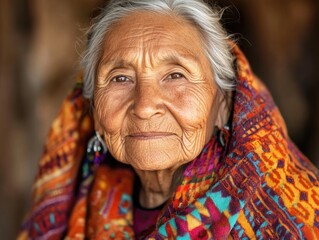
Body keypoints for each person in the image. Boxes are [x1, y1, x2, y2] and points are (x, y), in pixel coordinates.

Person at [18, 0, 319, 239]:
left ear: (223, 104)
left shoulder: (290, 221)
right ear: (95, 109)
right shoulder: (78, 210)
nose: (145, 106)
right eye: (120, 78)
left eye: (176, 75)